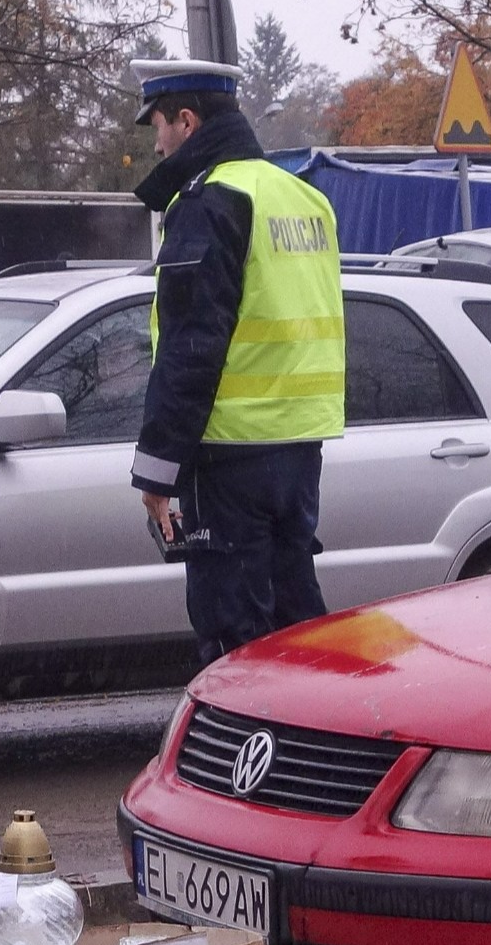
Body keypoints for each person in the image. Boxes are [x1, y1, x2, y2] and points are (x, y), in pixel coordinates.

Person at [125, 57, 347, 665]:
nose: (157, 141)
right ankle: (318, 753)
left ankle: (245, 759)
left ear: (187, 122)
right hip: (301, 446)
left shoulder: (211, 201)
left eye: (159, 127)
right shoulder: (304, 198)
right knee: (295, 623)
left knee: (237, 640)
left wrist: (157, 473)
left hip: (231, 452)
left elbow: (191, 346)